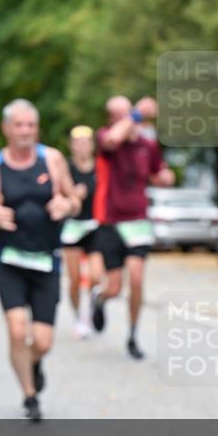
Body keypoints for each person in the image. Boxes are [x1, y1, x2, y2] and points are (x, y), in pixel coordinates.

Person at [0, 99, 81, 421]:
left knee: (42, 341)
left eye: (31, 125)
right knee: (18, 331)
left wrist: (67, 206)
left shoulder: (53, 159)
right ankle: (30, 396)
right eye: (19, 125)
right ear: (6, 128)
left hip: (46, 262)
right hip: (10, 262)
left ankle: (33, 362)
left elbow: (75, 197)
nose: (25, 131)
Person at [89, 95, 175, 360]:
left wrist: (165, 177)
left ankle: (133, 335)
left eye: (126, 114)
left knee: (136, 279)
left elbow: (158, 172)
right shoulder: (105, 138)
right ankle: (100, 297)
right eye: (118, 115)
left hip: (137, 220)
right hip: (111, 221)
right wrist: (136, 114)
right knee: (115, 287)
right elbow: (114, 139)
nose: (124, 120)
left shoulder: (147, 145)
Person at [61, 125, 101, 339]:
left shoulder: (100, 169)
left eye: (86, 142)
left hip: (94, 225)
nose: (82, 147)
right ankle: (78, 317)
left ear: (92, 145)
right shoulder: (66, 169)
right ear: (72, 146)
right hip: (72, 227)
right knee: (74, 279)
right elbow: (58, 196)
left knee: (95, 277)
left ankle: (95, 307)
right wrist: (71, 196)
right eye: (78, 143)